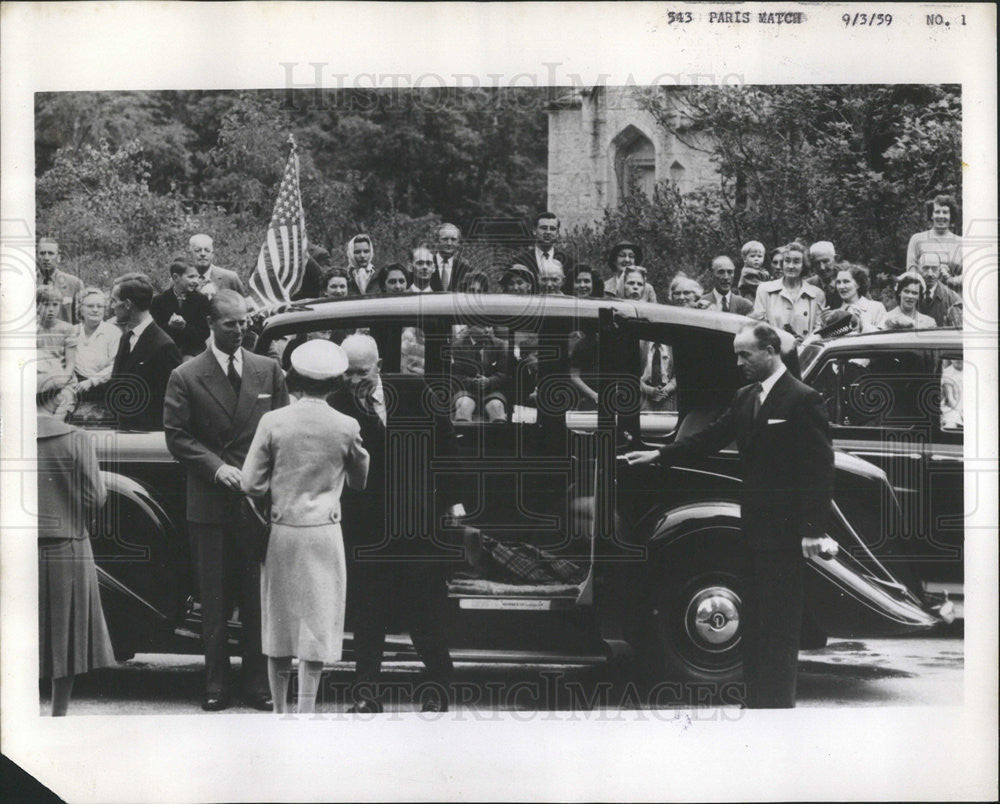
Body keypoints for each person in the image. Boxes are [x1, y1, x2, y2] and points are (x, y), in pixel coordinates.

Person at [624, 323, 837, 708]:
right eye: (737, 355)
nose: (739, 363)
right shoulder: (744, 397)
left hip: (787, 533)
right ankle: (756, 699)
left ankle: (775, 704)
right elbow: (708, 439)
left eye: (745, 355)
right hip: (753, 527)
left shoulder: (804, 399)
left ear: (770, 351)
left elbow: (818, 470)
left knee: (780, 622)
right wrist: (658, 454)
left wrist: (811, 530)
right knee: (755, 618)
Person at [163, 289, 289, 711]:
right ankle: (215, 684)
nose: (242, 329)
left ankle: (257, 684)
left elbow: (281, 430)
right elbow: (177, 436)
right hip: (210, 503)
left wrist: (263, 479)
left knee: (256, 599)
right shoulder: (186, 374)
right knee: (213, 601)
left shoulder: (268, 369)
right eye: (232, 323)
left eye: (246, 321)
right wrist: (217, 468)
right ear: (212, 326)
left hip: (255, 503)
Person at [328, 334, 460, 713]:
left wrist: (453, 500)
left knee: (426, 611)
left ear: (380, 365)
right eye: (347, 374)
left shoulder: (416, 390)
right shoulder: (336, 404)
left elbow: (446, 444)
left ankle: (438, 687)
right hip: (365, 525)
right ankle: (367, 693)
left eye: (362, 372)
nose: (354, 381)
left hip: (418, 522)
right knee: (368, 612)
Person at [240, 339, 369, 714]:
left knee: (278, 627)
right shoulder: (346, 425)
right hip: (324, 534)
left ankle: (280, 710)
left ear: (295, 378)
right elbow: (360, 481)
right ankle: (306, 710)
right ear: (333, 382)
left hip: (283, 530)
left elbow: (250, 483)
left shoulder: (273, 421)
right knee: (316, 624)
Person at [37, 412, 117, 715]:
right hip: (66, 544)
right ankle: (58, 715)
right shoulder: (76, 438)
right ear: (58, 397)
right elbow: (96, 496)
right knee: (64, 640)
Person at [108, 272, 181, 431]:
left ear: (127, 304)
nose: (111, 307)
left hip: (150, 440)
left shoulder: (164, 347)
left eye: (114, 301)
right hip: (126, 433)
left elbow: (170, 404)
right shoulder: (127, 338)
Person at [750, 242, 826, 339]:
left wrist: (804, 345)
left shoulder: (816, 294)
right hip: (775, 350)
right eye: (787, 261)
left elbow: (818, 330)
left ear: (804, 265)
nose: (791, 266)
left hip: (806, 351)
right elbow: (759, 327)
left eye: (796, 261)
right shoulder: (764, 290)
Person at [151, 256, 212, 359]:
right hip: (166, 350)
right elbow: (153, 332)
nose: (196, 281)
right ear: (175, 277)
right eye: (191, 277)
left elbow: (204, 332)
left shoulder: (201, 300)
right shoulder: (159, 300)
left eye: (197, 277)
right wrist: (169, 325)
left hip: (193, 350)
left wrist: (185, 327)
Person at [452, 324, 510, 422]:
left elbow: (505, 374)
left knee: (496, 408)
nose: (487, 329)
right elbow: (455, 375)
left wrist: (489, 381)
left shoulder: (499, 345)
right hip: (466, 390)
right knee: (464, 407)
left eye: (489, 326)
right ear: (470, 328)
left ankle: (499, 436)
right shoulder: (457, 346)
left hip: (492, 391)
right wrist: (472, 381)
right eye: (482, 326)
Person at [36, 286, 78, 417]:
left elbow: (70, 363)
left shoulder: (67, 329)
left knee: (62, 406)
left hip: (63, 380)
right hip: (40, 380)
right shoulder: (33, 329)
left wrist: (62, 380)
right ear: (37, 305)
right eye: (46, 304)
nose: (51, 309)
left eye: (55, 304)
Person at [906, 194, 962, 277]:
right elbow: (911, 271)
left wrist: (951, 280)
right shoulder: (917, 239)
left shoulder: (961, 242)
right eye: (937, 212)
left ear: (951, 215)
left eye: (945, 212)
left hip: (953, 288)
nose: (941, 216)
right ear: (931, 215)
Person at [36, 237, 84, 324]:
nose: (46, 258)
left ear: (58, 257)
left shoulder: (74, 284)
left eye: (51, 253)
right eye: (42, 253)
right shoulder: (25, 283)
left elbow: (81, 320)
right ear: (37, 257)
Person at [512, 212, 575, 278]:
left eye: (552, 229)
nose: (548, 232)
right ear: (534, 231)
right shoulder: (520, 261)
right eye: (544, 228)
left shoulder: (569, 263)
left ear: (557, 233)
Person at [831, 263, 886, 332]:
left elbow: (882, 337)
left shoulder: (876, 307)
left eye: (846, 282)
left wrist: (863, 323)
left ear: (858, 284)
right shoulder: (835, 314)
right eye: (838, 282)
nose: (841, 286)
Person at [189, 234, 246, 299]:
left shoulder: (230, 278)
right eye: (198, 250)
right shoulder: (183, 279)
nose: (203, 254)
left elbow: (244, 305)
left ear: (212, 254)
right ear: (190, 254)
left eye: (207, 250)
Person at [916, 252, 962, 327]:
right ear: (918, 269)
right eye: (926, 268)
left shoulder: (952, 299)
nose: (930, 274)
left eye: (934, 269)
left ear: (940, 269)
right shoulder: (909, 294)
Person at [433, 223, 472, 291]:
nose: (449, 243)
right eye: (445, 239)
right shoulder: (426, 264)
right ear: (436, 241)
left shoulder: (465, 267)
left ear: (458, 242)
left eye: (453, 239)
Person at [806, 241, 839, 307]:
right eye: (817, 263)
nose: (822, 268)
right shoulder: (808, 286)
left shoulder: (851, 280)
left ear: (835, 259)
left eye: (825, 261)